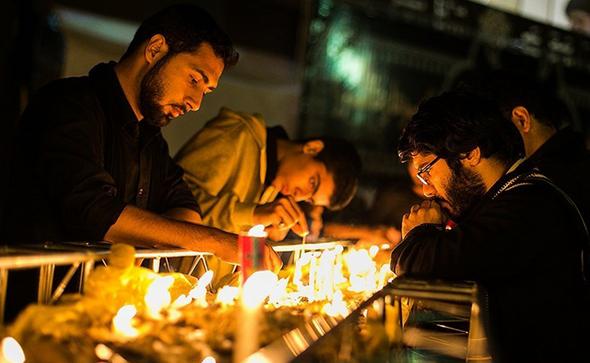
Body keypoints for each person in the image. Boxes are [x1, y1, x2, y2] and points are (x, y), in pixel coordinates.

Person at [1, 5, 280, 271]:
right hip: (31, 309)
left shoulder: (151, 141)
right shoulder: (67, 104)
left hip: (103, 312)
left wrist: (153, 239)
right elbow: (95, 212)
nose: (196, 103)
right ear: (155, 49)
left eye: (205, 92)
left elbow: (185, 206)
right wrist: (216, 242)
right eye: (195, 79)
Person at [390, 90, 588, 362]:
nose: (426, 190)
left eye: (427, 171)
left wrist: (418, 234)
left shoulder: (530, 203)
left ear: (469, 153)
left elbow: (438, 261)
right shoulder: (508, 197)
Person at [174, 107, 362, 241]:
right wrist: (253, 214)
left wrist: (269, 236)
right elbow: (171, 197)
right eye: (312, 183)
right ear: (312, 148)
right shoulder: (239, 134)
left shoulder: (272, 188)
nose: (300, 195)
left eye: (310, 199)